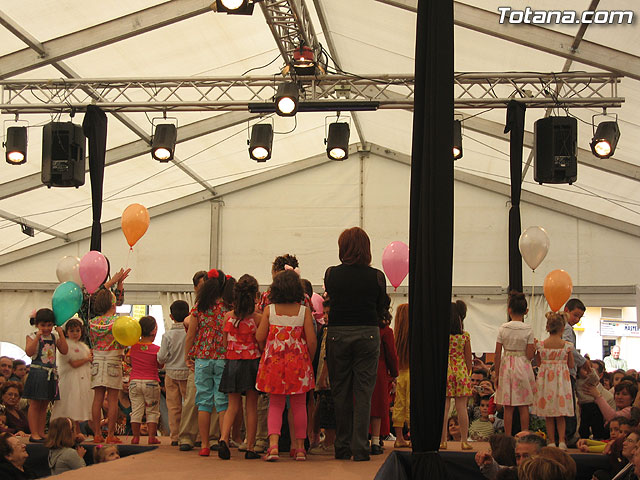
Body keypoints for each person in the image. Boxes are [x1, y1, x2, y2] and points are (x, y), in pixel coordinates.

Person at [323, 227, 387, 462]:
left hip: (338, 333)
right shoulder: (377, 276)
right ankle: (360, 448)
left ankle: (341, 446)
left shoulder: (331, 274)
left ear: (343, 248)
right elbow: (381, 306)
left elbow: (332, 297)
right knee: (363, 392)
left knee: (340, 391)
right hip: (368, 333)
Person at [255, 269, 317, 461]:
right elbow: (312, 341)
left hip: (274, 363)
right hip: (298, 363)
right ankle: (299, 448)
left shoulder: (269, 311)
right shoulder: (303, 312)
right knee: (299, 405)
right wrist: (308, 359)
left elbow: (259, 337)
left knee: (275, 404)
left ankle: (273, 446)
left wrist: (268, 349)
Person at [184, 268, 230, 457]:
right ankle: (222, 441)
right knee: (222, 402)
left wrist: (188, 355)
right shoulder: (227, 308)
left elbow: (191, 335)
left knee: (203, 402)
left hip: (202, 359)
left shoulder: (198, 308)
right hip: (222, 358)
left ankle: (203, 445)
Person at [218, 274, 262, 460]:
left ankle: (223, 439)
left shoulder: (227, 317)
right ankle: (250, 447)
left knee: (232, 406)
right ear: (254, 296)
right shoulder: (257, 319)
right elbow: (260, 342)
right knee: (251, 406)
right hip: (251, 363)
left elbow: (223, 342)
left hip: (232, 362)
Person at [494, 292, 536, 436]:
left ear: (509, 310)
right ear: (526, 311)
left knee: (508, 406)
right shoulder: (528, 329)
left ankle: (507, 437)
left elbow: (497, 353)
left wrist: (496, 373)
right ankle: (524, 435)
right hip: (523, 366)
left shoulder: (503, 328)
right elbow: (530, 355)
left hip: (507, 366)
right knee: (523, 406)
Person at [23, 308, 69, 442]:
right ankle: (34, 433)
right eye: (43, 325)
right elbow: (29, 352)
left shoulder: (54, 336)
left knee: (44, 405)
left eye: (49, 325)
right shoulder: (31, 336)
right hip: (37, 372)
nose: (47, 328)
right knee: (35, 404)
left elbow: (64, 351)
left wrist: (61, 334)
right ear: (37, 324)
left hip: (51, 373)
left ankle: (41, 432)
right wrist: (37, 337)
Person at [532, 312, 574, 449]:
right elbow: (571, 365)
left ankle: (551, 441)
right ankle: (561, 441)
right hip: (561, 382)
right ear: (562, 328)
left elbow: (538, 362)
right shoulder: (567, 346)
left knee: (549, 414)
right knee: (560, 413)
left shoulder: (541, 345)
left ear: (548, 327)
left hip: (546, 382)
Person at [88, 289, 125, 444]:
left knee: (97, 399)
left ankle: (97, 433)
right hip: (113, 359)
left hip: (96, 360)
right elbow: (124, 340)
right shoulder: (117, 321)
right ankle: (110, 434)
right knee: (113, 400)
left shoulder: (92, 322)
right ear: (112, 303)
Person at [441, 300, 473, 450]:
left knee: (444, 408)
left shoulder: (442, 336)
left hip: (446, 371)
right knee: (462, 408)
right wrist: (468, 373)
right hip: (461, 372)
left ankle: (442, 441)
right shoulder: (465, 336)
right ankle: (465, 441)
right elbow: (469, 360)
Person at [51, 318, 92, 433]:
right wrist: (86, 359)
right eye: (72, 331)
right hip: (70, 380)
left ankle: (77, 432)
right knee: (70, 406)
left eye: (77, 330)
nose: (75, 333)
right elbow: (73, 363)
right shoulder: (66, 345)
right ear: (67, 332)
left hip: (83, 379)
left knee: (80, 406)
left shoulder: (83, 346)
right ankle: (71, 432)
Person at [369, 293, 398, 455]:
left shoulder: (366, 327)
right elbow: (392, 355)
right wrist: (394, 373)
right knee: (379, 406)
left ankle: (360, 438)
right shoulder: (386, 331)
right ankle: (375, 441)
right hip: (380, 370)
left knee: (364, 403)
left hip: (363, 369)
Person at [158, 300, 190, 446]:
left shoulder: (167, 336)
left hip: (171, 373)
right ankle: (189, 435)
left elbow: (161, 357)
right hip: (187, 372)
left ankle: (175, 436)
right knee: (189, 405)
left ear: (171, 316)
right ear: (189, 314)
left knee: (173, 406)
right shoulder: (189, 332)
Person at [129, 316, 162, 445]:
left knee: (136, 409)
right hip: (151, 382)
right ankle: (151, 437)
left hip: (134, 381)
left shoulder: (133, 347)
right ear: (154, 330)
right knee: (152, 410)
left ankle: (135, 437)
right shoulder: (156, 349)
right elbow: (160, 365)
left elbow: (130, 361)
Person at [562, 298, 587, 442]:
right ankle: (569, 435)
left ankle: (564, 434)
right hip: (566, 371)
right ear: (566, 310)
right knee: (569, 403)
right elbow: (568, 347)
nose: (577, 319)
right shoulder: (566, 328)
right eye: (575, 315)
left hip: (565, 371)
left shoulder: (565, 328)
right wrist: (583, 362)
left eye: (580, 317)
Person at [475, 433, 545, 480]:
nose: (521, 461)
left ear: (541, 456)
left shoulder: (552, 474)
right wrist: (489, 464)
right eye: (518, 456)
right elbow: (499, 471)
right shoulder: (515, 473)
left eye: (526, 456)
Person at [577, 359, 612, 441]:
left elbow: (596, 378)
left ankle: (598, 437)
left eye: (588, 368)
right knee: (584, 424)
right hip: (583, 405)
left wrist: (590, 370)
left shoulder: (591, 379)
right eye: (583, 369)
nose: (586, 371)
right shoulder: (577, 381)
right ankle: (583, 438)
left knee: (597, 423)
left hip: (594, 404)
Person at [392, 303, 411, 448]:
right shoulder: (414, 336)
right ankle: (412, 437)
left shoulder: (395, 336)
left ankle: (399, 438)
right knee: (411, 405)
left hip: (399, 375)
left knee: (399, 405)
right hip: (412, 376)